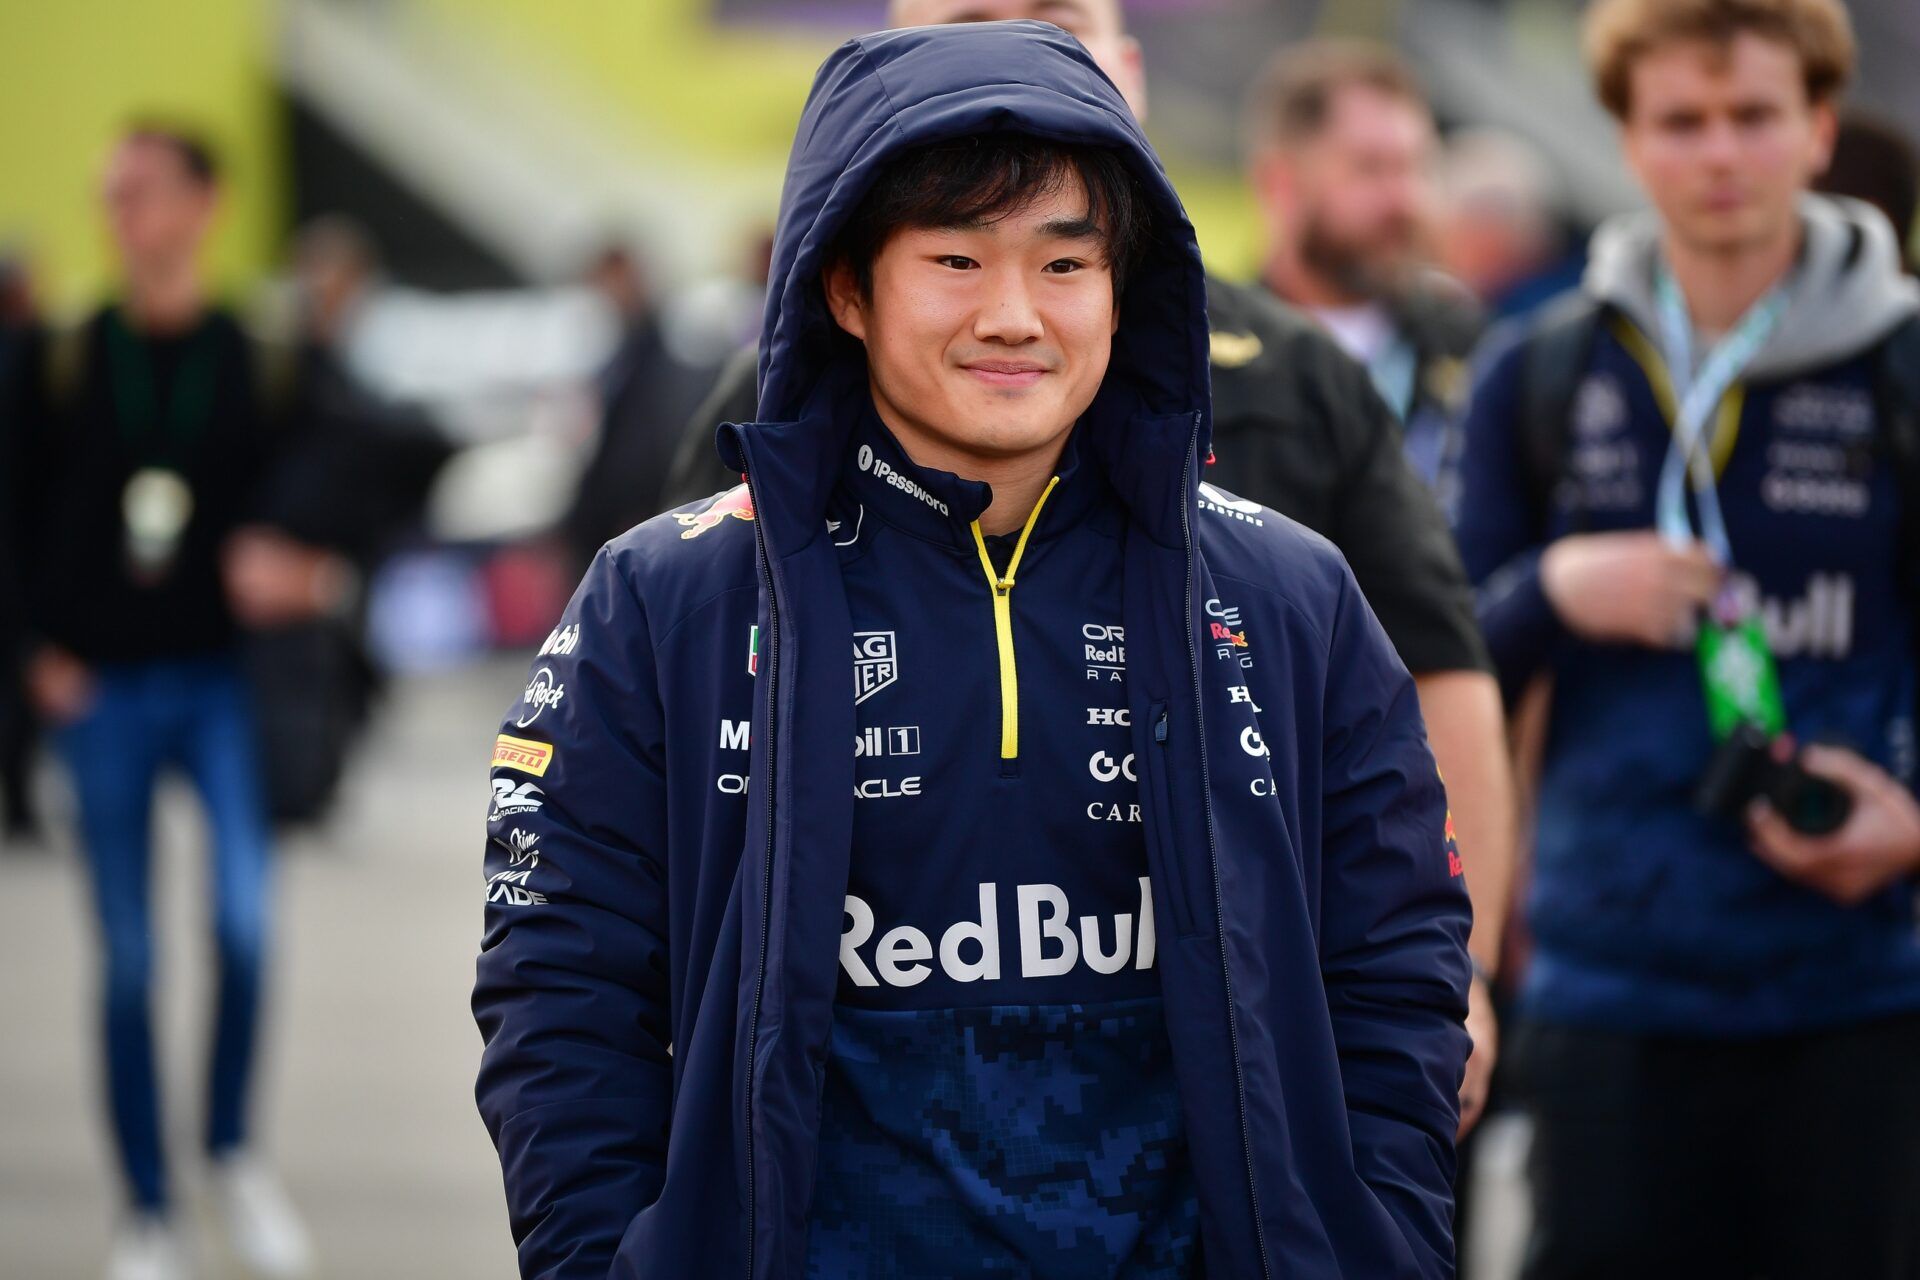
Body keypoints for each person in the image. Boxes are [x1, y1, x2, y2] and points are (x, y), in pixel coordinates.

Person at [473, 20, 1472, 1279]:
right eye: (955, 258)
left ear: (1126, 288)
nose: (1014, 315)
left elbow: (1398, 964)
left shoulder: (1289, 595)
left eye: (1065, 263)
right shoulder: (665, 597)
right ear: (846, 287)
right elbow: (559, 987)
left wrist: (1375, 1240)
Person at [660, 0, 1515, 1136]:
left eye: (1057, 28)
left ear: (1127, 67)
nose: (1012, 315)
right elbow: (630, 853)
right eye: (971, 21)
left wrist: (1464, 977)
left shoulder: (1297, 396)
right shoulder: (757, 432)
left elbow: (1434, 673)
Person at [1451, 1, 1920, 1274]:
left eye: (1754, 115)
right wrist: (1555, 588)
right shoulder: (1538, 371)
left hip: (1860, 990)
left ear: (1818, 129)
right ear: (1628, 139)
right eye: (1682, 120)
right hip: (1610, 993)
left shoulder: (1902, 362)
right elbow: (1437, 667)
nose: (1720, 153)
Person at [11, 125, 314, 1280]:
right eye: (110, 194)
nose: (121, 211)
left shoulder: (259, 356)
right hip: (101, 690)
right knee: (130, 960)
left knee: (244, 925)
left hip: (220, 682)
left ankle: (230, 1150)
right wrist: (32, 655)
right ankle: (145, 1206)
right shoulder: (61, 356)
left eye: (140, 189)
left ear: (203, 202)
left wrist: (314, 568)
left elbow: (344, 475)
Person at [1244, 39, 1485, 513]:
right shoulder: (1209, 359)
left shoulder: (1471, 344)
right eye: (1370, 168)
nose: (1405, 200)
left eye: (1416, 167)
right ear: (1280, 183)